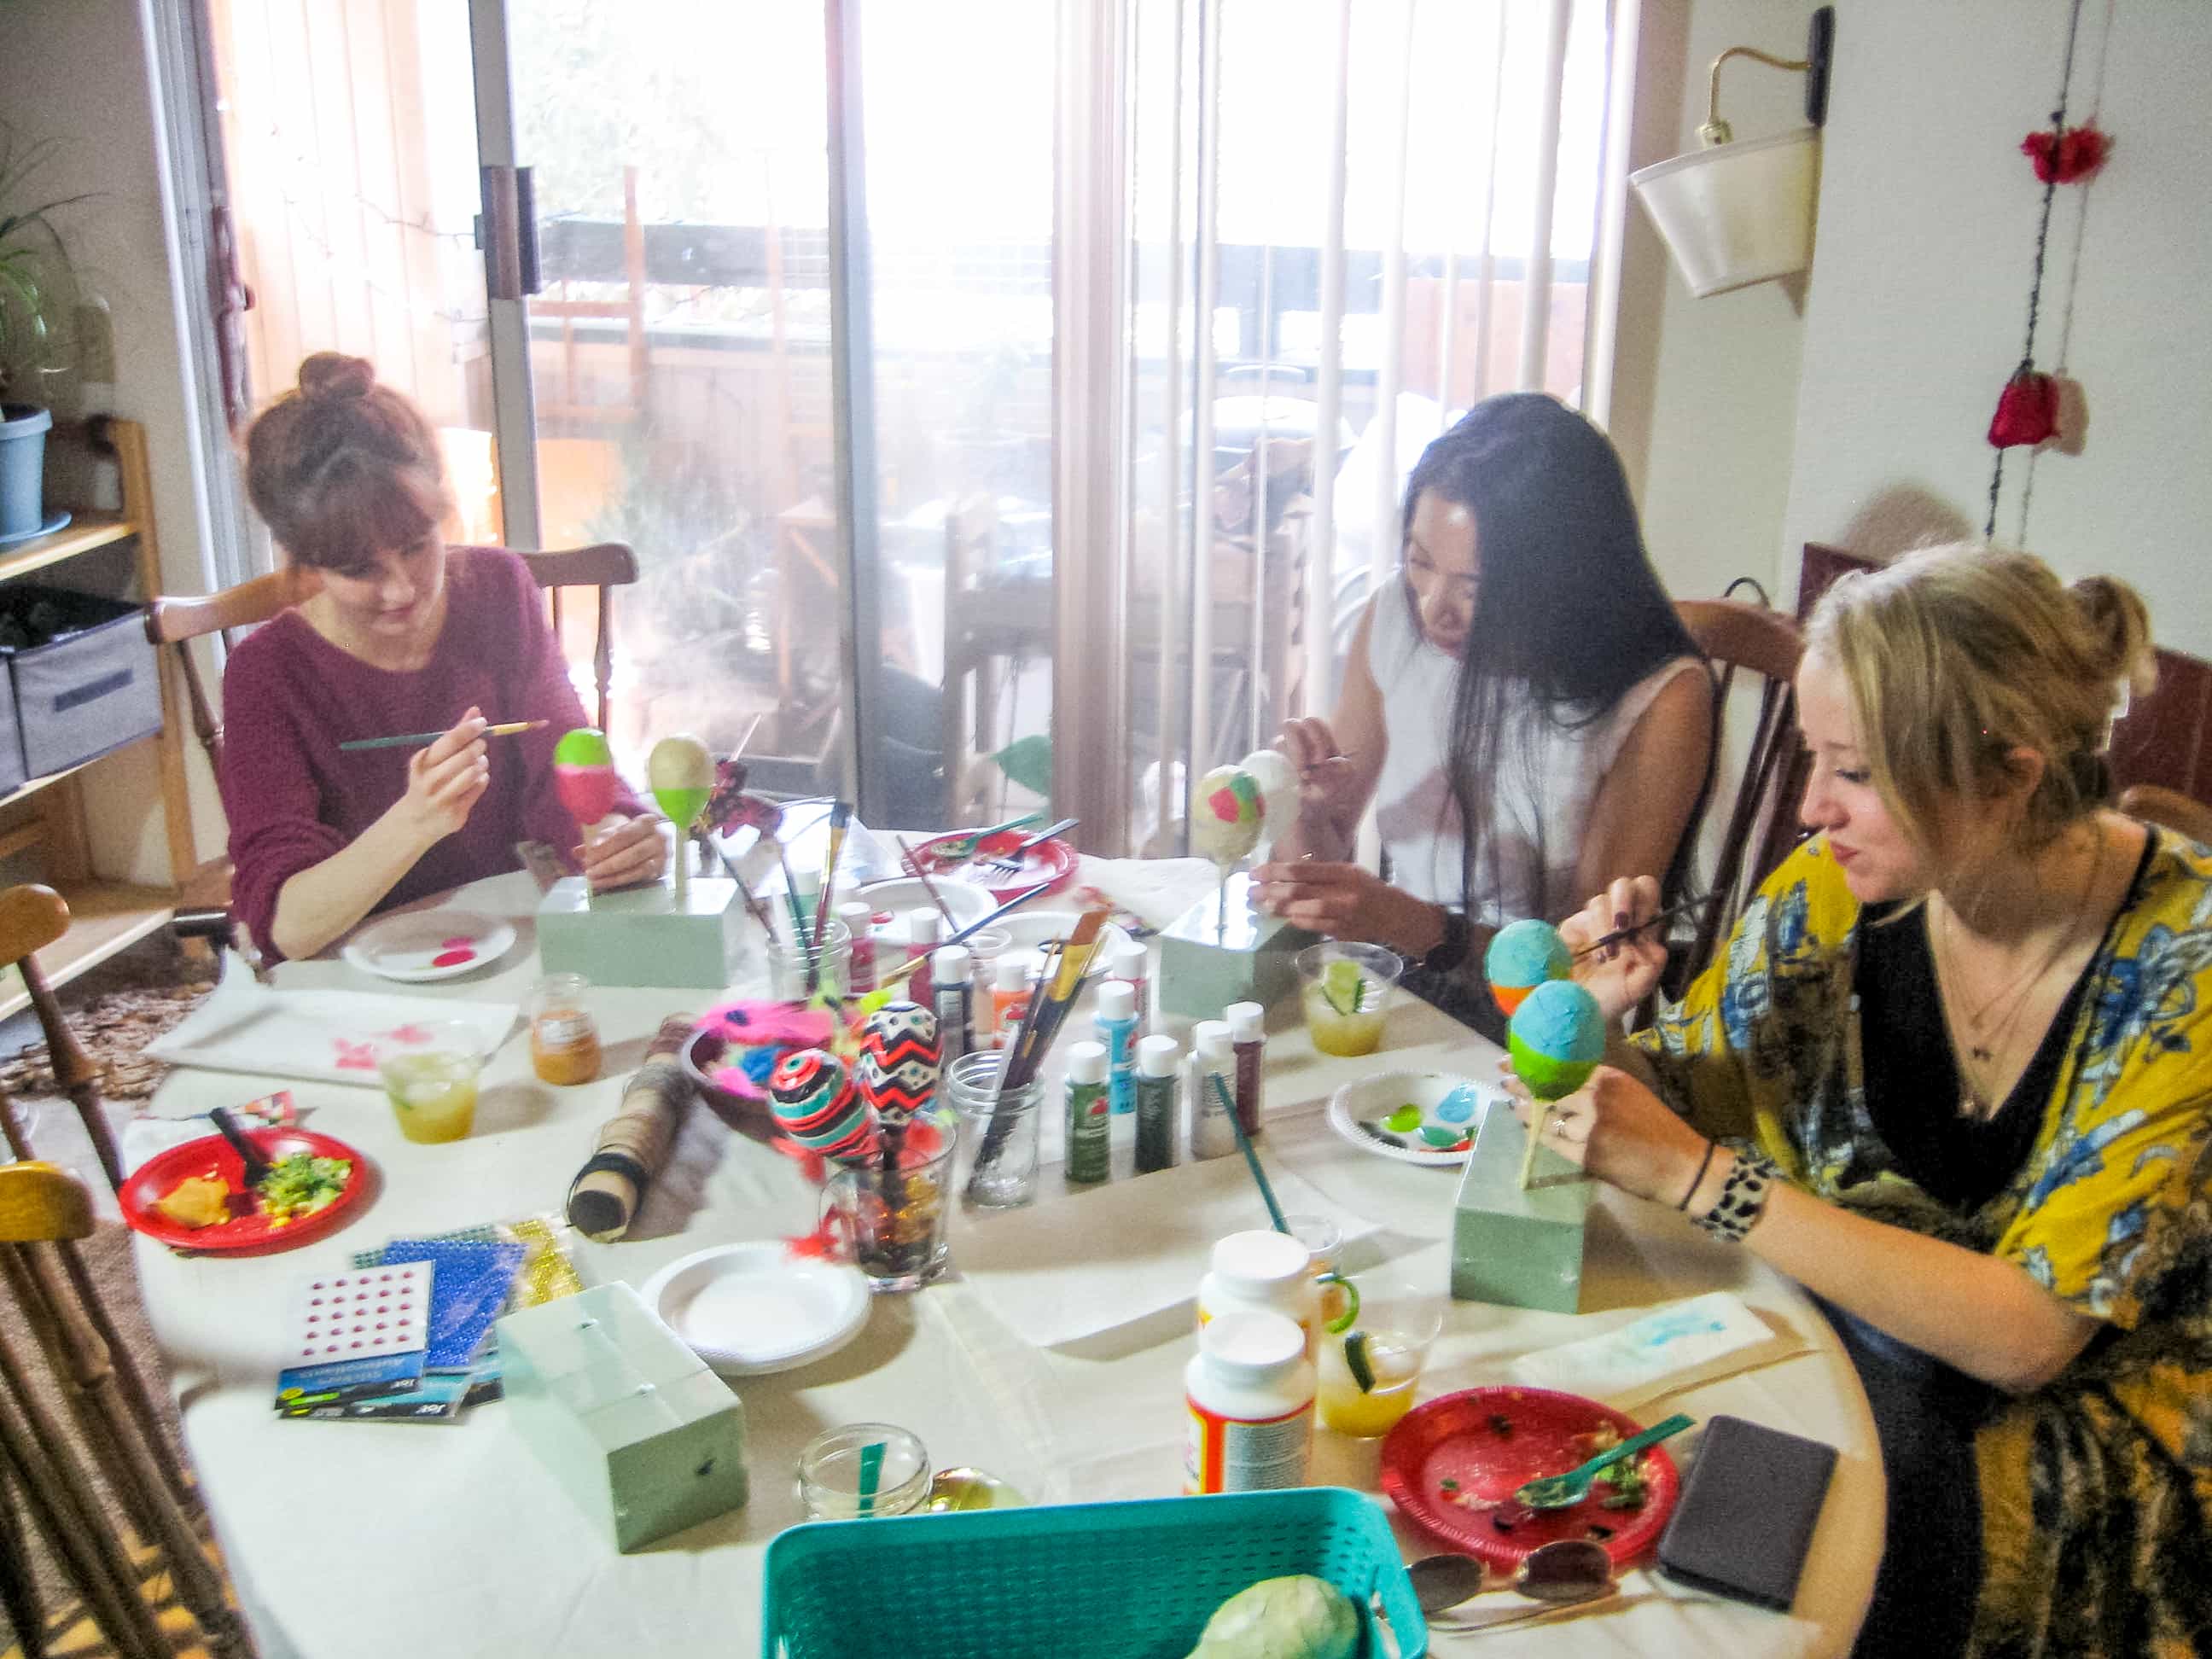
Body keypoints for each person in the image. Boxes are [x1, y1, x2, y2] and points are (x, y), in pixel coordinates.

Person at [1516, 544, 2209, 1657]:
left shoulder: (2185, 979)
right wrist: (1605, 1029)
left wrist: (1697, 1177)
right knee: (1598, 1480)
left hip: (2070, 1466)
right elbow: (1696, 1095)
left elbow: (2030, 1333)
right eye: (1811, 758)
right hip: (1851, 1353)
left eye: (1854, 771)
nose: (1807, 809)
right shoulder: (1841, 891)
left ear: (2009, 776)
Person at [1254, 393, 1713, 1031]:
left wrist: (1409, 924)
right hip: (1392, 985)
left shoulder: (1659, 699)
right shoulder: (1393, 615)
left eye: (1474, 587)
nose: (1433, 608)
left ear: (1563, 580)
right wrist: (1300, 806)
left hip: (1534, 1034)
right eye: (1420, 562)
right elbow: (1316, 863)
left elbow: (1581, 969)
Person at [220, 352, 666, 962]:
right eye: (358, 570)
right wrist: (415, 821)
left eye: (415, 546)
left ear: (441, 509)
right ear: (302, 558)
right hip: (357, 974)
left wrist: (612, 834)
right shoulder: (267, 674)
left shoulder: (498, 590)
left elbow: (564, 757)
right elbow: (288, 926)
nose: (402, 589)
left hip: (512, 944)